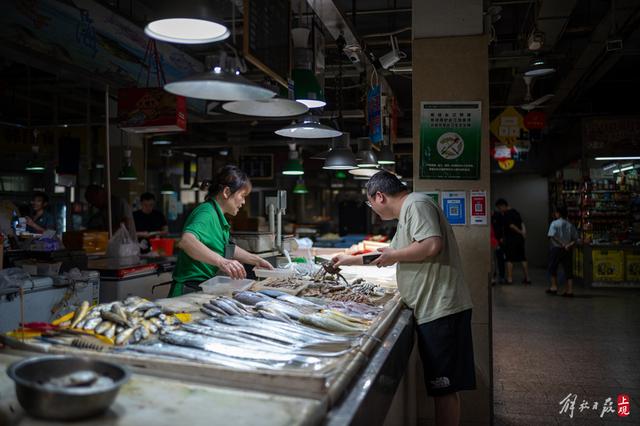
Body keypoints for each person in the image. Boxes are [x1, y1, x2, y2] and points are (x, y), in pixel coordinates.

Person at [333, 171, 475, 426]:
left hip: (441, 309)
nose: (372, 209)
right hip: (431, 308)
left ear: (380, 196)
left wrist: (395, 256)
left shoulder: (416, 204)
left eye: (370, 203)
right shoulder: (408, 212)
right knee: (441, 388)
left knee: (444, 389)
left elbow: (431, 245)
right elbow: (389, 254)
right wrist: (348, 260)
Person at [170, 165, 273, 297]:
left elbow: (227, 248)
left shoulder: (218, 218)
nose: (243, 202)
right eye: (242, 196)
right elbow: (187, 241)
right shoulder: (206, 212)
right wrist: (222, 262)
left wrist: (256, 260)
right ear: (226, 192)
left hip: (200, 286)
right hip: (187, 289)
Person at [495, 198, 530, 285]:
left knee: (509, 259)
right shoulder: (516, 211)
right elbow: (522, 223)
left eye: (499, 208)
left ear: (503, 206)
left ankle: (510, 279)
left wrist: (520, 232)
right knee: (523, 258)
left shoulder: (506, 214)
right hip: (520, 239)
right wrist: (523, 233)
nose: (499, 210)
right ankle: (527, 278)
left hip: (511, 238)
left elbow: (511, 226)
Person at [546, 205, 579, 297]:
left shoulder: (554, 223)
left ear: (558, 213)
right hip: (567, 250)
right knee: (568, 269)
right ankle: (570, 291)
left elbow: (551, 235)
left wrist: (562, 244)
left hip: (556, 249)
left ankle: (554, 287)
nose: (555, 214)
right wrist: (568, 245)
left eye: (556, 212)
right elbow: (576, 239)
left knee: (552, 268)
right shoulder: (570, 224)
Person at [491, 207, 506, 284]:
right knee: (493, 260)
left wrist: (501, 238)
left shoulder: (498, 216)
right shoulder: (490, 219)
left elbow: (502, 228)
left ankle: (501, 276)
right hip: (494, 241)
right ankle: (495, 277)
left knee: (498, 259)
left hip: (496, 241)